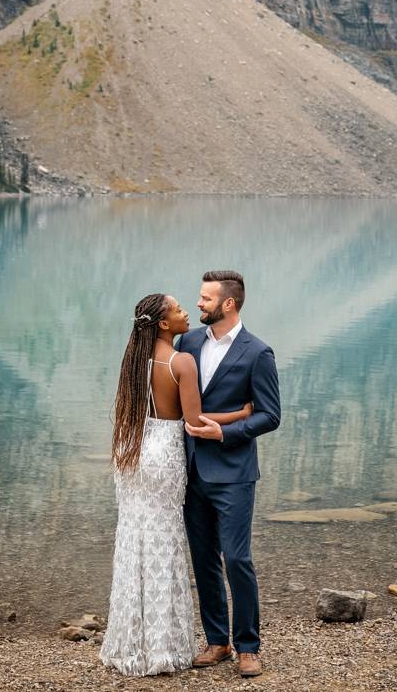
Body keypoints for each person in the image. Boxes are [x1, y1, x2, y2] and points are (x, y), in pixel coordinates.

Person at [100, 293, 252, 676]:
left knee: (134, 540)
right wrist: (243, 412)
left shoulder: (134, 360)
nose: (187, 313)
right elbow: (194, 420)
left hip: (132, 451)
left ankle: (130, 644)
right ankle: (163, 646)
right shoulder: (181, 360)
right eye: (179, 309)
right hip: (164, 455)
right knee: (165, 543)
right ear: (164, 324)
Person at [180, 270, 281, 679]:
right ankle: (217, 641)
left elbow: (270, 415)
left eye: (206, 298)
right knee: (203, 560)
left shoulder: (258, 353)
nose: (198, 304)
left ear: (228, 304)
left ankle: (248, 647)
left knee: (237, 559)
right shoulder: (186, 343)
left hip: (235, 473)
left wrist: (227, 430)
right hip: (189, 471)